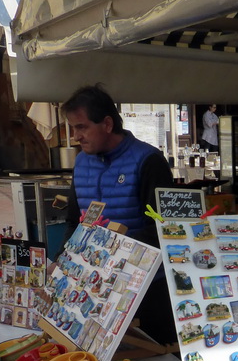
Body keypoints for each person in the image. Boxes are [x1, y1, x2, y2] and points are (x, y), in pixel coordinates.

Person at [63, 84, 176, 344]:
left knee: (160, 357)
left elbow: (165, 228)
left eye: (81, 127)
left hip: (149, 286)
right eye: (73, 128)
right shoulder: (81, 162)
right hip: (98, 287)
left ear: (107, 124)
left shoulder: (148, 160)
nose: (75, 136)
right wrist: (64, 260)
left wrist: (114, 248)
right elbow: (73, 221)